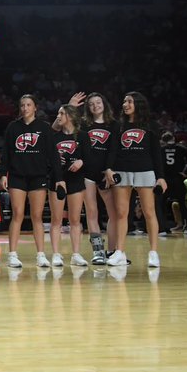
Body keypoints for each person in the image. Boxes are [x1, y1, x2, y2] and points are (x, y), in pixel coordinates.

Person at [104, 92, 166, 268]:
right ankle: (120, 252)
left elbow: (156, 153)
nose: (125, 104)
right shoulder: (119, 125)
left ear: (138, 104)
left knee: (149, 212)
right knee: (121, 213)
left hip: (145, 170)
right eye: (124, 101)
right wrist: (108, 168)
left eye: (129, 101)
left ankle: (153, 253)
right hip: (122, 169)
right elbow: (113, 149)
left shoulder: (150, 125)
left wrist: (161, 177)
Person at [0, 94, 59, 269]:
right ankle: (12, 255)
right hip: (17, 176)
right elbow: (6, 153)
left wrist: (59, 178)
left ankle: (41, 255)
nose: (25, 108)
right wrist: (3, 174)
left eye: (28, 105)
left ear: (35, 107)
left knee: (37, 216)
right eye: (22, 105)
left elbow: (53, 154)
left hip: (38, 176)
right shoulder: (13, 127)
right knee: (17, 214)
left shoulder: (44, 127)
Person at [71, 91, 118, 265]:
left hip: (106, 174)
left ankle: (112, 251)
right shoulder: (84, 124)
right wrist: (71, 107)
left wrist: (108, 169)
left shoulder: (113, 124)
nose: (95, 106)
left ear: (104, 104)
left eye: (98, 102)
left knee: (114, 214)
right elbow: (63, 126)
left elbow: (114, 150)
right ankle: (98, 251)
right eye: (91, 104)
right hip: (87, 173)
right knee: (92, 213)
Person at [49, 105, 88, 267]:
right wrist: (55, 160)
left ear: (70, 116)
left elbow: (90, 157)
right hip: (57, 180)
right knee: (56, 220)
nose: (58, 116)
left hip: (76, 181)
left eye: (62, 113)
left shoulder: (82, 136)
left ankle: (76, 254)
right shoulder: (53, 137)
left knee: (75, 220)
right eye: (58, 113)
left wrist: (81, 161)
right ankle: (56, 254)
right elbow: (48, 161)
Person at [159, 131, 187, 234]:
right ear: (173, 138)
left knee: (162, 204)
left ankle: (163, 228)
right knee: (182, 202)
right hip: (178, 178)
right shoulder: (181, 148)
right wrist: (185, 172)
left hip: (165, 179)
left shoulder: (161, 149)